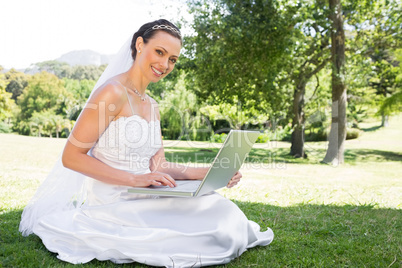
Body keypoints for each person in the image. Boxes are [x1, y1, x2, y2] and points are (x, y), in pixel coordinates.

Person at [19, 19, 274, 267]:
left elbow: (159, 165)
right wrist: (133, 179)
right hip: (115, 200)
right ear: (140, 45)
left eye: (172, 59)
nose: (164, 64)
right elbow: (71, 156)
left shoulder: (152, 105)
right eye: (159, 52)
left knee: (220, 207)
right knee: (214, 225)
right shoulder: (112, 92)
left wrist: (210, 173)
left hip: (147, 192)